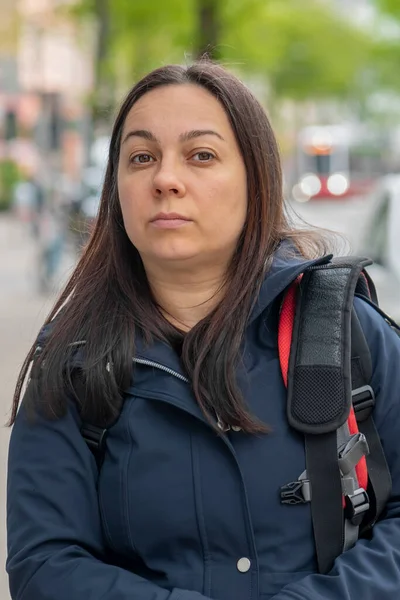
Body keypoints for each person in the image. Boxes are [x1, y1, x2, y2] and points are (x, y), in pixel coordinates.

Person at [6, 60, 400, 600]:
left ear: (255, 179)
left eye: (202, 155)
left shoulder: (346, 329)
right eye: (141, 157)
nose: (166, 179)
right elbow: (44, 561)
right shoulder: (74, 356)